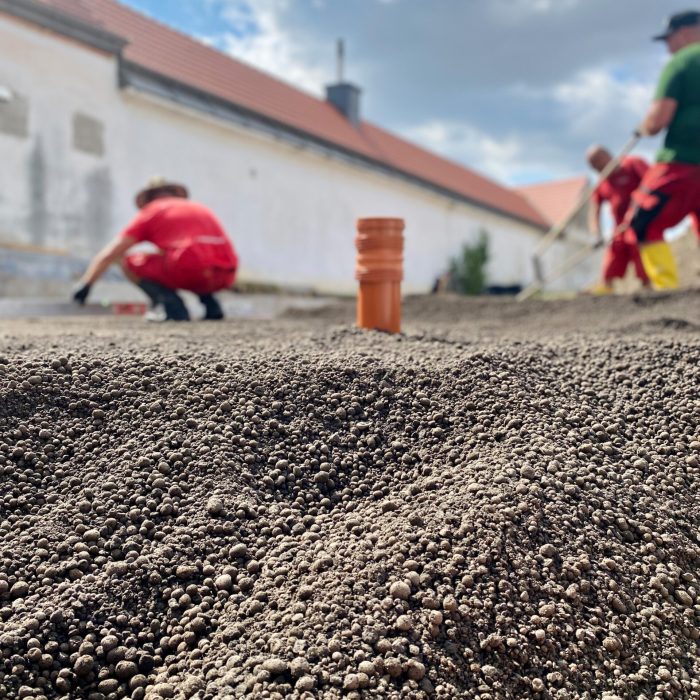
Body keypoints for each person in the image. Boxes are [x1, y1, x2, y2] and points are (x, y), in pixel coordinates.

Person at [73, 177, 238, 321]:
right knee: (189, 257)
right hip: (225, 273)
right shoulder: (199, 208)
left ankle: (171, 306)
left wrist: (86, 284)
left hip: (190, 270)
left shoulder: (152, 211)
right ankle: (211, 305)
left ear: (148, 198)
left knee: (129, 260)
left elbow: (110, 253)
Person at [622, 9, 700, 289]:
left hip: (682, 162)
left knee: (644, 221)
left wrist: (644, 126)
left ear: (684, 33)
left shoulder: (682, 61)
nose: (667, 47)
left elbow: (658, 121)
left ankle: (668, 292)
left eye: (669, 39)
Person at [586, 146, 651, 293]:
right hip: (619, 228)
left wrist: (638, 208)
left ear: (607, 155)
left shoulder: (632, 164)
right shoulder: (602, 182)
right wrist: (595, 234)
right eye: (592, 165)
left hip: (642, 224)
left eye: (596, 162)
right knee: (613, 255)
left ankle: (648, 287)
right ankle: (605, 290)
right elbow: (594, 210)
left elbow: (651, 184)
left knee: (641, 254)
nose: (595, 168)